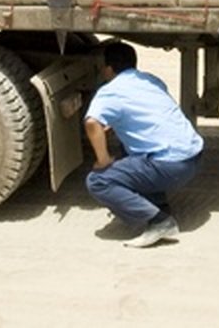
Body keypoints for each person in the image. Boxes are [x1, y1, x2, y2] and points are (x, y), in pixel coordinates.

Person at [84, 41, 204, 248]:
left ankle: (159, 222)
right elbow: (148, 113)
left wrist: (102, 160)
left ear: (108, 68)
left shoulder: (110, 91)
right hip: (193, 157)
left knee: (99, 181)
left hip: (169, 165)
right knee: (128, 147)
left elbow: (92, 123)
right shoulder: (151, 80)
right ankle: (159, 206)